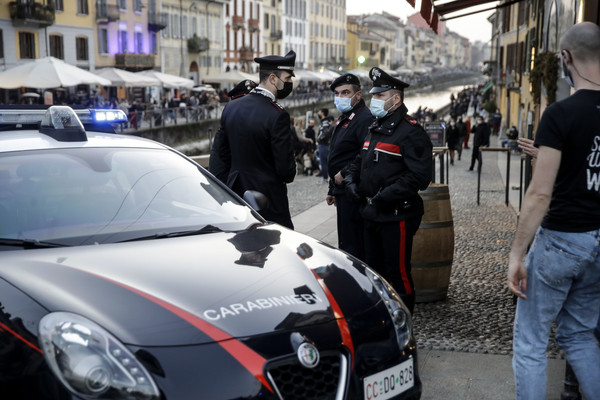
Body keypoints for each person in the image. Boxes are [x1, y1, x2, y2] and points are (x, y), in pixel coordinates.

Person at [507, 22, 600, 400]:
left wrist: (517, 254)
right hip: (598, 242)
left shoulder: (560, 114)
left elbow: (540, 195)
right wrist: (546, 153)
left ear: (565, 59)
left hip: (562, 240)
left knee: (530, 341)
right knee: (579, 335)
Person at [346, 67, 433, 314]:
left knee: (398, 272)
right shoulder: (375, 126)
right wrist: (352, 181)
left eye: (380, 96)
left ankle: (405, 320)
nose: (374, 100)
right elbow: (358, 161)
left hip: (396, 215)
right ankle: (383, 318)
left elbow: (419, 176)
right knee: (374, 270)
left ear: (396, 99)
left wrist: (385, 196)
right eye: (374, 96)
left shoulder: (410, 131)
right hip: (371, 213)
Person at [211, 51, 297, 229]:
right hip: (268, 200)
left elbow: (219, 157)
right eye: (287, 78)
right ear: (273, 78)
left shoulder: (231, 106)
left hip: (236, 196)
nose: (289, 83)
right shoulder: (277, 114)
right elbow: (286, 171)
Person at [326, 73, 373, 260]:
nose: (340, 97)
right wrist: (332, 188)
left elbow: (365, 154)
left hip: (353, 189)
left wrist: (344, 174)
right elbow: (338, 153)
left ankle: (357, 282)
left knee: (353, 244)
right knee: (345, 241)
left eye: (345, 92)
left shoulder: (364, 118)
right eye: (337, 93)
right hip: (341, 189)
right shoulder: (347, 116)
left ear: (358, 95)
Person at [316, 108, 333, 184]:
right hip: (324, 144)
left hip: (323, 144)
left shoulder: (325, 122)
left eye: (319, 112)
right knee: (325, 162)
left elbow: (325, 132)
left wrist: (318, 139)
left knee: (323, 162)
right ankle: (325, 178)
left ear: (322, 113)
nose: (318, 113)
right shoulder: (325, 121)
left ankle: (325, 178)